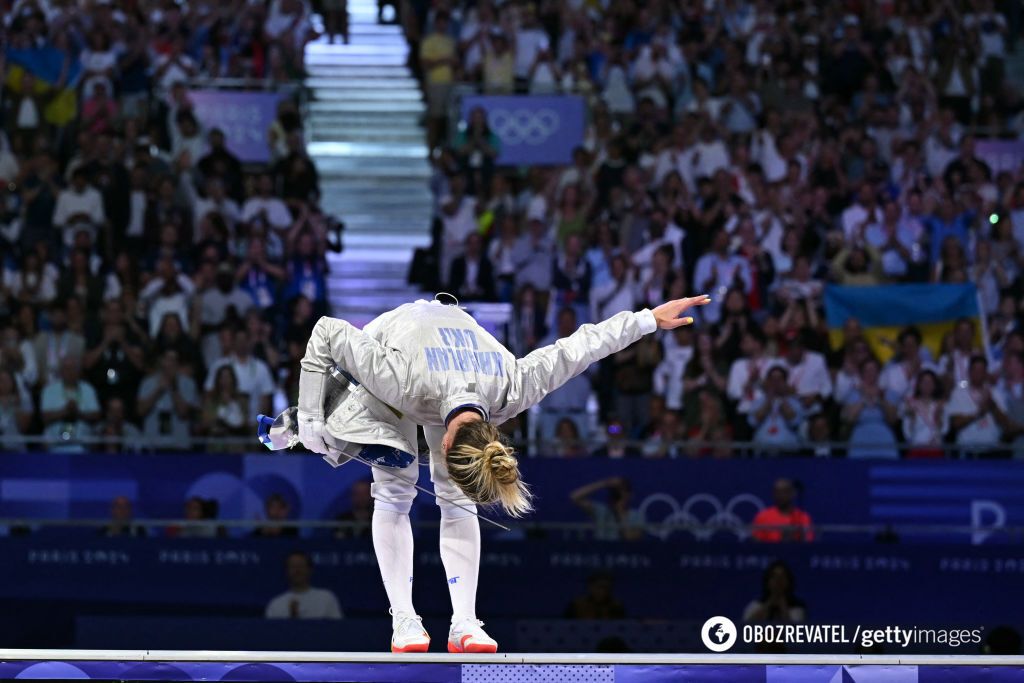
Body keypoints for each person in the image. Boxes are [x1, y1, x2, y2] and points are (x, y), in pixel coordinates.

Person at [297, 293, 710, 653]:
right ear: (441, 446)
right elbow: (327, 330)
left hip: (454, 350)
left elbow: (580, 347)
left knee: (455, 500)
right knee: (394, 485)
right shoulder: (402, 382)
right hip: (398, 339)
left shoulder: (512, 386)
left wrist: (648, 320)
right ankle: (403, 619)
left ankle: (464, 623)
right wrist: (310, 418)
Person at [265, 551, 343, 620]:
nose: (297, 570)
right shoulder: (275, 604)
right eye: (293, 567)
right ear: (286, 571)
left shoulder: (327, 598)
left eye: (301, 566)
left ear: (310, 570)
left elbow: (337, 630)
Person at [570, 477, 644, 540]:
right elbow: (575, 497)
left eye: (623, 491)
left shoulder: (637, 515)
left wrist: (620, 512)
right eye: (616, 492)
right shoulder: (602, 510)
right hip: (601, 551)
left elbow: (630, 537)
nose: (619, 495)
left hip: (625, 554)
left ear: (629, 495)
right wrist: (605, 484)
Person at [751, 478, 814, 543]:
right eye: (777, 492)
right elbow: (756, 544)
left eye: (784, 492)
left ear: (792, 493)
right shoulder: (762, 517)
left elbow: (808, 543)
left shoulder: (802, 517)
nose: (780, 496)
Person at [742, 561, 807, 623]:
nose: (778, 581)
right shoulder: (754, 606)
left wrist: (782, 606)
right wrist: (768, 605)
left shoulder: (798, 608)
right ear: (767, 581)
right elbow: (745, 628)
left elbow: (796, 631)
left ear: (789, 581)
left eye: (782, 577)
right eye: (774, 577)